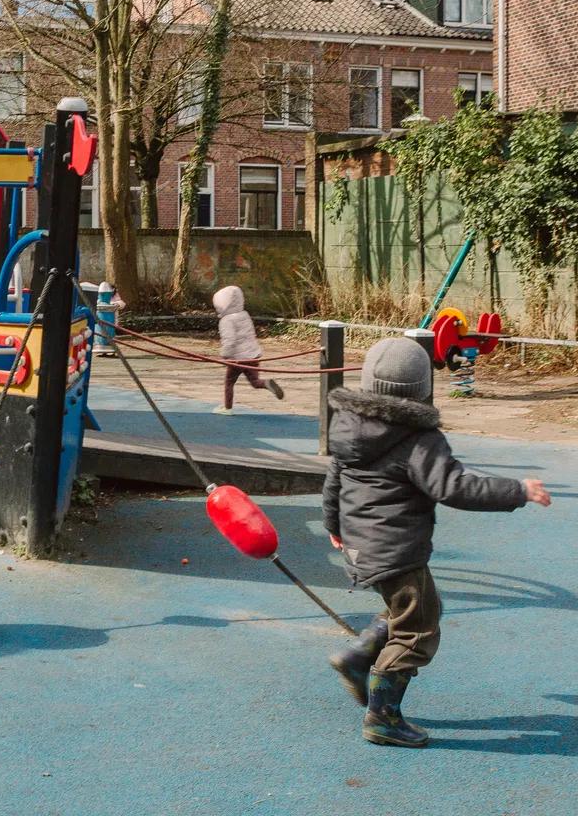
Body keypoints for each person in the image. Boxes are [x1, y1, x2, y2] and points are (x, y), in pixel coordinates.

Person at [322, 338, 551, 747]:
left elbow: (334, 481)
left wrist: (333, 526)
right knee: (418, 631)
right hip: (395, 549)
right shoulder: (418, 438)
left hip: (359, 542)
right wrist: (516, 490)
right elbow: (456, 487)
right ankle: (383, 717)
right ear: (423, 387)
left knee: (415, 608)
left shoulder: (347, 425)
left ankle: (358, 657)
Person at [211, 285, 283, 413]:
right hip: (253, 355)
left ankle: (227, 408)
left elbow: (230, 340)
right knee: (255, 381)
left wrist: (224, 355)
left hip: (237, 359)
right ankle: (266, 383)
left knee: (229, 382)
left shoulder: (226, 320)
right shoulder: (244, 314)